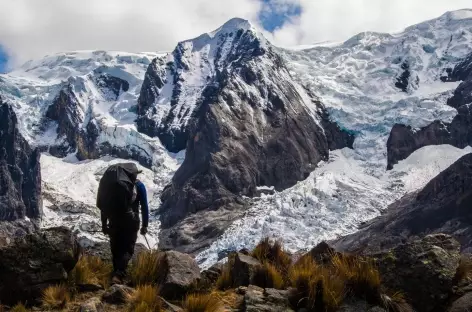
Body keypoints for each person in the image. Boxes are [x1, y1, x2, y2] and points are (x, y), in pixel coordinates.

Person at [97, 163, 149, 284]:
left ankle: (116, 274)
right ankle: (119, 275)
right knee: (127, 248)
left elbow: (105, 206)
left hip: (114, 220)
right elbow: (144, 207)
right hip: (131, 221)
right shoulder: (139, 186)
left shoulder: (113, 186)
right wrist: (145, 225)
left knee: (116, 248)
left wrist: (104, 224)